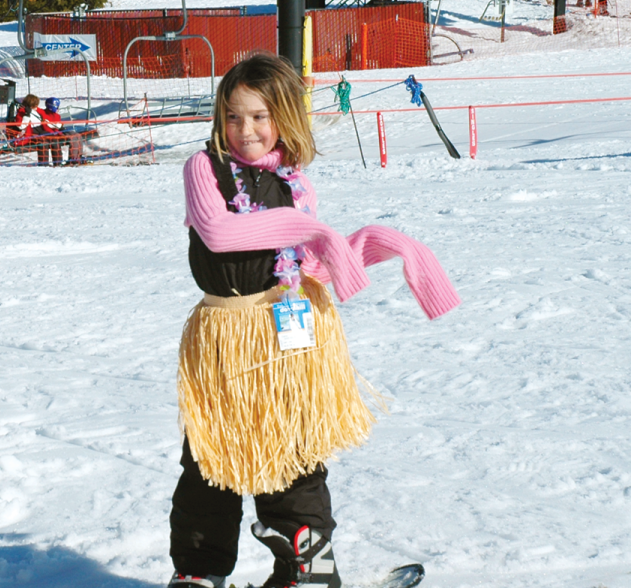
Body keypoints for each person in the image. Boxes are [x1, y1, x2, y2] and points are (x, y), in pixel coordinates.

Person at [169, 54, 459, 588]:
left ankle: (308, 565)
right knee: (211, 459)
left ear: (283, 116)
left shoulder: (294, 180)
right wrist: (312, 230)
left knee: (294, 450)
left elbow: (308, 264)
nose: (245, 130)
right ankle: (198, 573)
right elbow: (219, 233)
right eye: (233, 117)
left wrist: (374, 243)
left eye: (259, 116)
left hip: (291, 331)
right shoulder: (202, 168)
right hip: (226, 336)